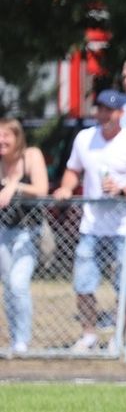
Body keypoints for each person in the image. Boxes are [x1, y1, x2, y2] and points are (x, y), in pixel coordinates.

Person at [52, 89, 126, 351]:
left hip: (124, 227)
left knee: (125, 286)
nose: (104, 114)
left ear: (121, 113)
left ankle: (121, 335)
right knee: (83, 282)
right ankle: (89, 333)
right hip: (91, 225)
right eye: (100, 109)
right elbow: (74, 169)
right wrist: (66, 187)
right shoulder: (85, 138)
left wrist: (123, 189)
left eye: (109, 109)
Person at [0, 118, 49, 355]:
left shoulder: (31, 156)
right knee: (8, 286)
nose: (1, 141)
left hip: (29, 231)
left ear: (17, 137)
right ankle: (14, 338)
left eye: (5, 135)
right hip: (3, 231)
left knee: (19, 284)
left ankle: (23, 340)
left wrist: (15, 186)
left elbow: (42, 189)